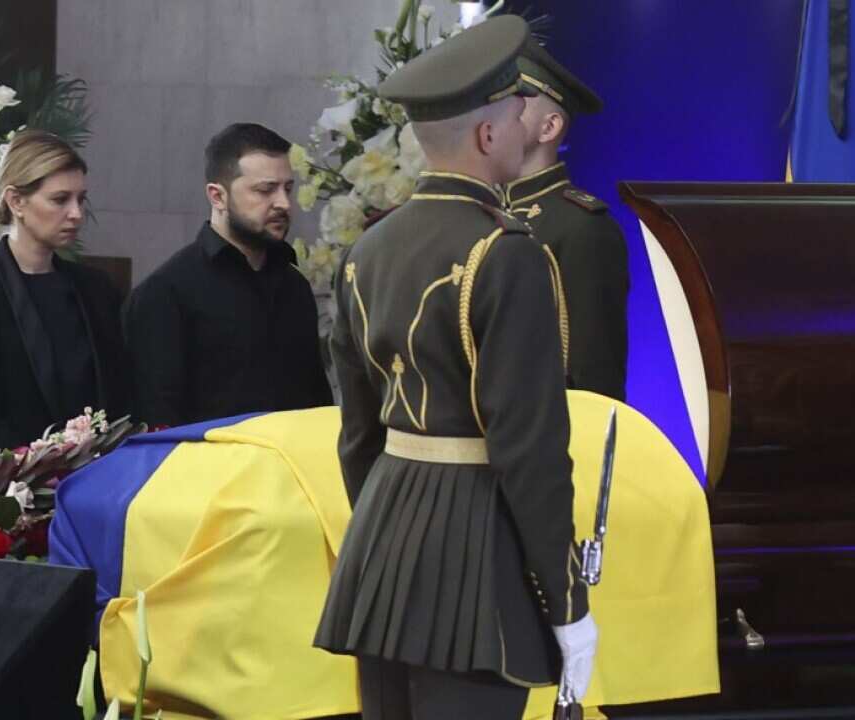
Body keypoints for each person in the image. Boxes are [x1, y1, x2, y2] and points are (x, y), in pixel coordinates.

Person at [313, 16, 597, 720]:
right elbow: (529, 449)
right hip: (478, 558)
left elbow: (357, 434)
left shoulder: (364, 253)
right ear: (489, 134)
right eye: (518, 110)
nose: (531, 120)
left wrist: (388, 529)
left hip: (380, 542)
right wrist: (567, 603)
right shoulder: (509, 255)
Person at [0, 129, 130, 523]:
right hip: (0, 501)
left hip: (90, 494)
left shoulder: (95, 288)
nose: (76, 213)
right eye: (60, 199)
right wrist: (37, 486)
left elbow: (119, 396)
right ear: (16, 201)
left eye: (80, 199)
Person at [123, 123, 331, 427]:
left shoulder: (294, 285)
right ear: (217, 196)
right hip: (209, 471)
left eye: (287, 188)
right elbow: (156, 423)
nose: (284, 203)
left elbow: (315, 403)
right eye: (265, 190)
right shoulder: (166, 293)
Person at [506, 40, 629, 400]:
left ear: (549, 127)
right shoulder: (476, 210)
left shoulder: (581, 227)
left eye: (514, 100)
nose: (495, 111)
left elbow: (594, 375)